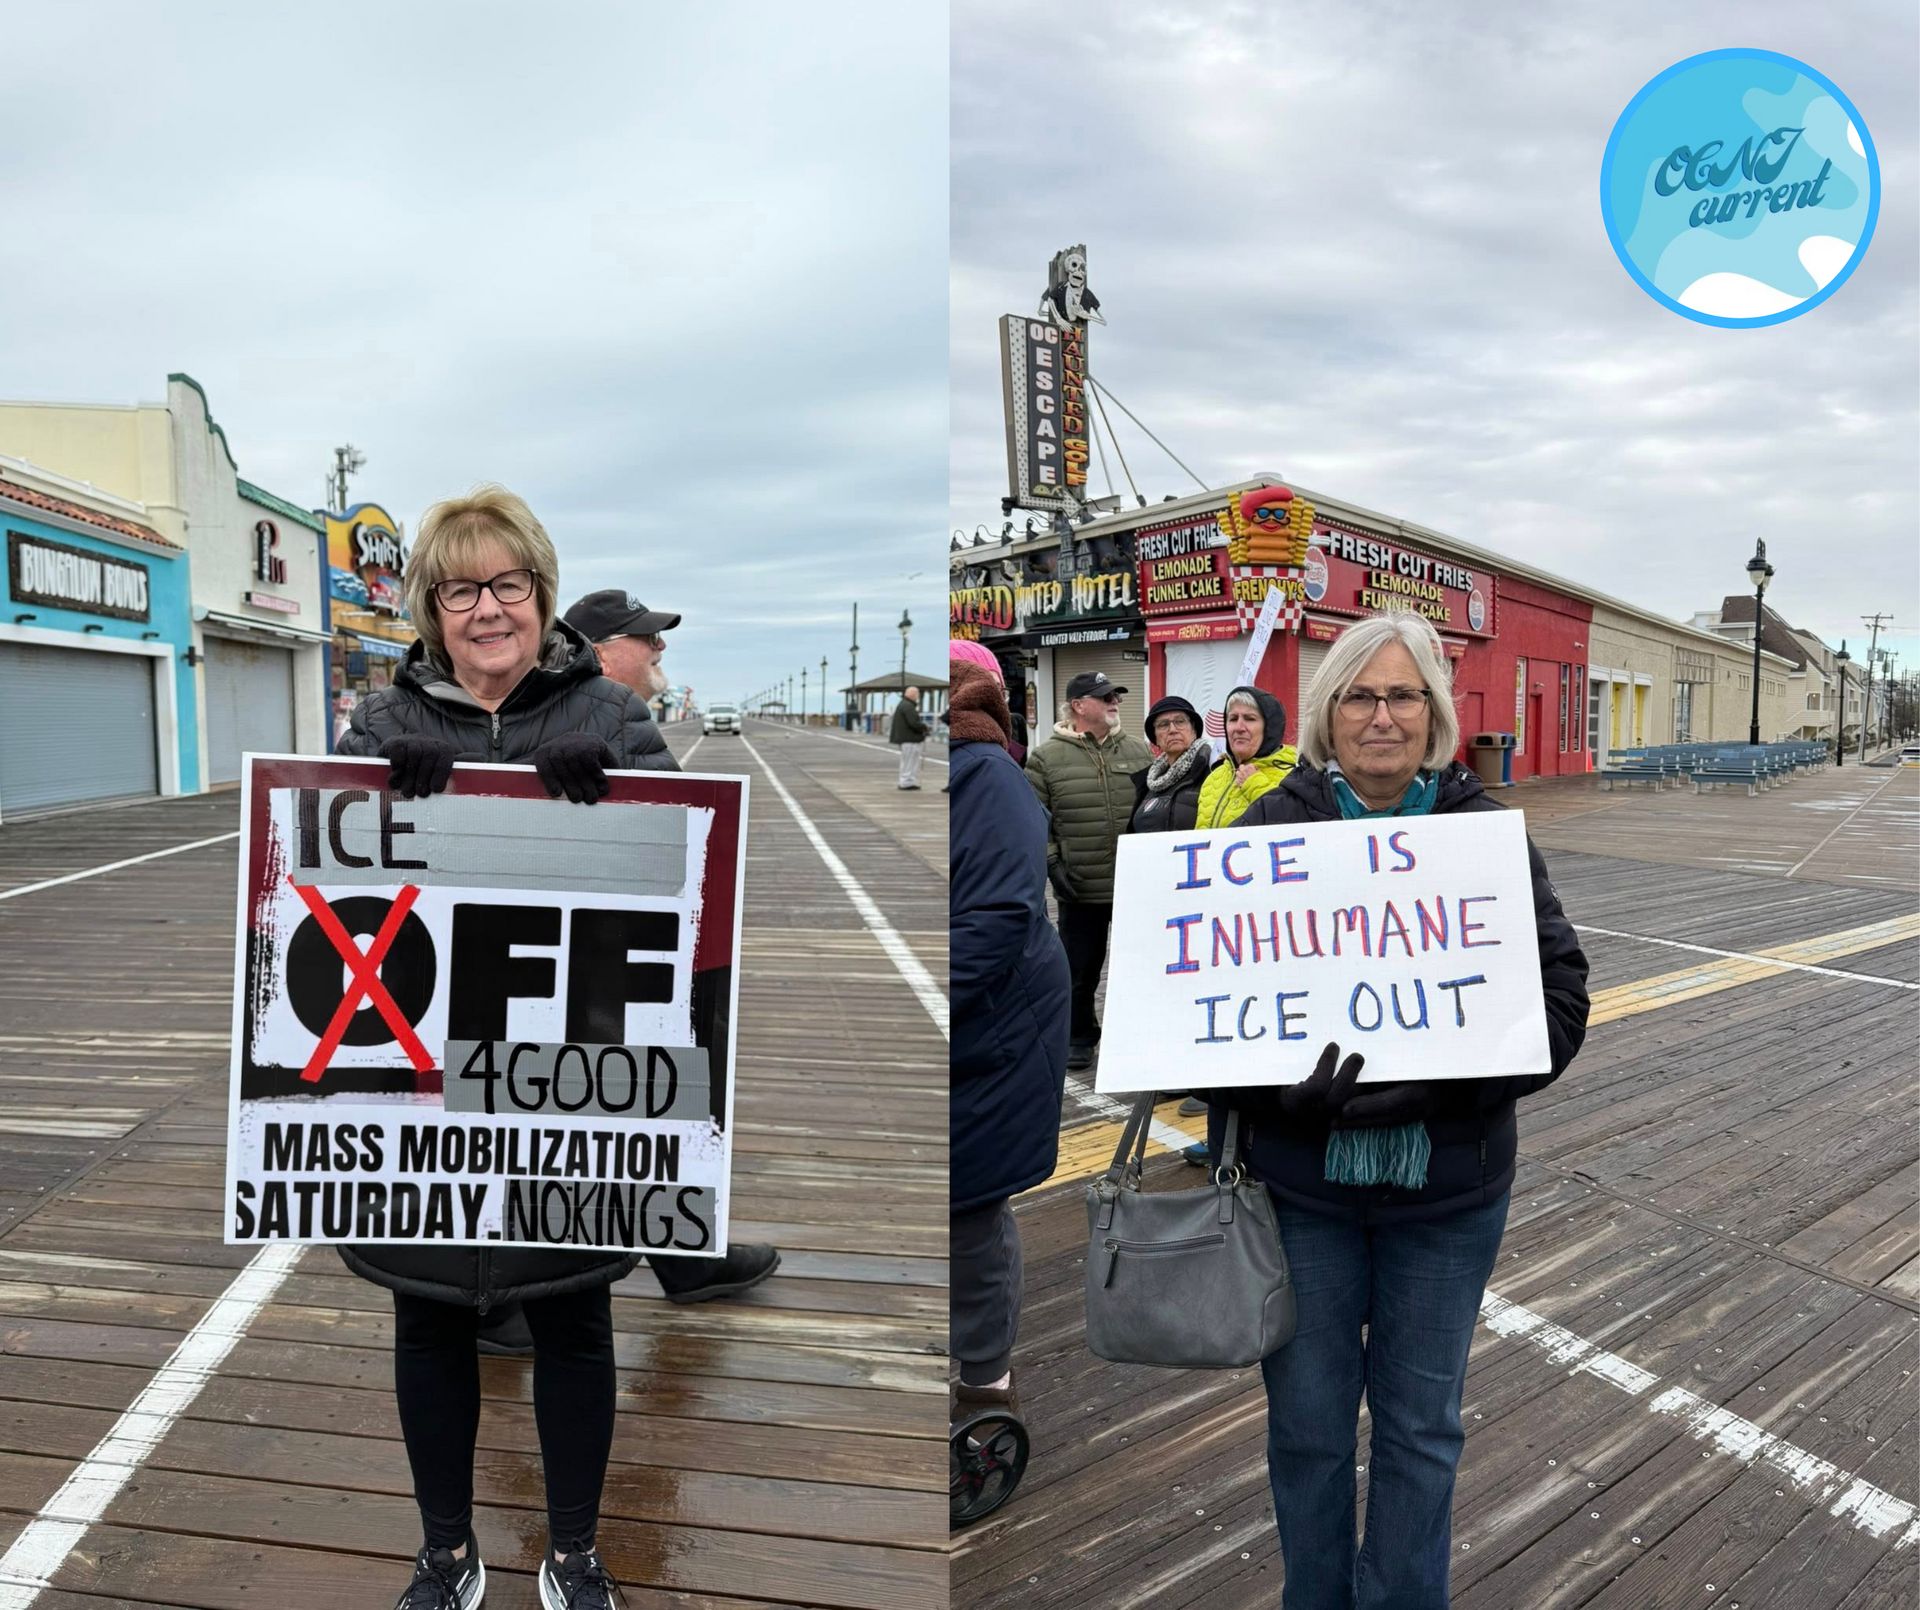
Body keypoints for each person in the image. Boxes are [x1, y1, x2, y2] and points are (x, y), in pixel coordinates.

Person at [1209, 611, 1590, 1610]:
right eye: (1360, 695)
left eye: (1403, 693)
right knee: (1308, 1427)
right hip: (1304, 1194)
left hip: (1447, 1192)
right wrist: (1267, 1090)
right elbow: (1189, 1015)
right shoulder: (1264, 833)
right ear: (1330, 712)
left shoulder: (1487, 837)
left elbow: (1560, 1002)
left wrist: (1449, 1080)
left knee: (1423, 1430)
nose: (1382, 715)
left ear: (1435, 712)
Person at [335, 485, 664, 1610]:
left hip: (564, 1082)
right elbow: (318, 890)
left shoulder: (611, 719)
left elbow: (687, 882)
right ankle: (446, 1547)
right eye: (462, 587)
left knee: (575, 1313)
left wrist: (620, 796)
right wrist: (380, 800)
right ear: (430, 607)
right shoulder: (380, 724)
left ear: (541, 591)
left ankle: (572, 1548)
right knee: (426, 1321)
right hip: (416, 1092)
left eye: (508, 583)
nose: (488, 607)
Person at [948, 649, 1068, 1431]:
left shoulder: (986, 775)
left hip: (993, 1025)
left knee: (970, 1206)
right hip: (971, 1017)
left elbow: (997, 919)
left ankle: (986, 1378)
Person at [1024, 671, 1152, 1071]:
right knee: (1079, 971)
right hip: (1079, 886)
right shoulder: (1045, 758)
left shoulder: (1138, 751)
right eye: (1104, 696)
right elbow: (1034, 818)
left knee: (1141, 967)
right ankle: (1079, 1035)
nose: (1114, 700)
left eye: (1115, 694)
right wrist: (1051, 863)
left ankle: (1137, 1037)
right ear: (1078, 706)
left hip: (1135, 886)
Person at [1195, 683, 1297, 829]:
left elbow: (1294, 829)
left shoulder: (1294, 775)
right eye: (1233, 719)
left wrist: (1254, 784)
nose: (1239, 728)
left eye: (1250, 719)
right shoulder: (1214, 777)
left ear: (1269, 728)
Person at [1126, 694, 1211, 835]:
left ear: (1194, 730)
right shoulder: (1148, 783)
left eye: (1180, 721)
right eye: (1163, 724)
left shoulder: (1212, 768)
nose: (1172, 730)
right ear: (1156, 738)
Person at [890, 683, 929, 788]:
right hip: (910, 739)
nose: (918, 697)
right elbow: (913, 723)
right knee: (910, 762)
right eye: (917, 694)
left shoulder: (903, 704)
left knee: (907, 761)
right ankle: (907, 782)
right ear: (913, 694)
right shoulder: (908, 706)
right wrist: (924, 727)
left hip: (905, 739)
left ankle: (906, 781)